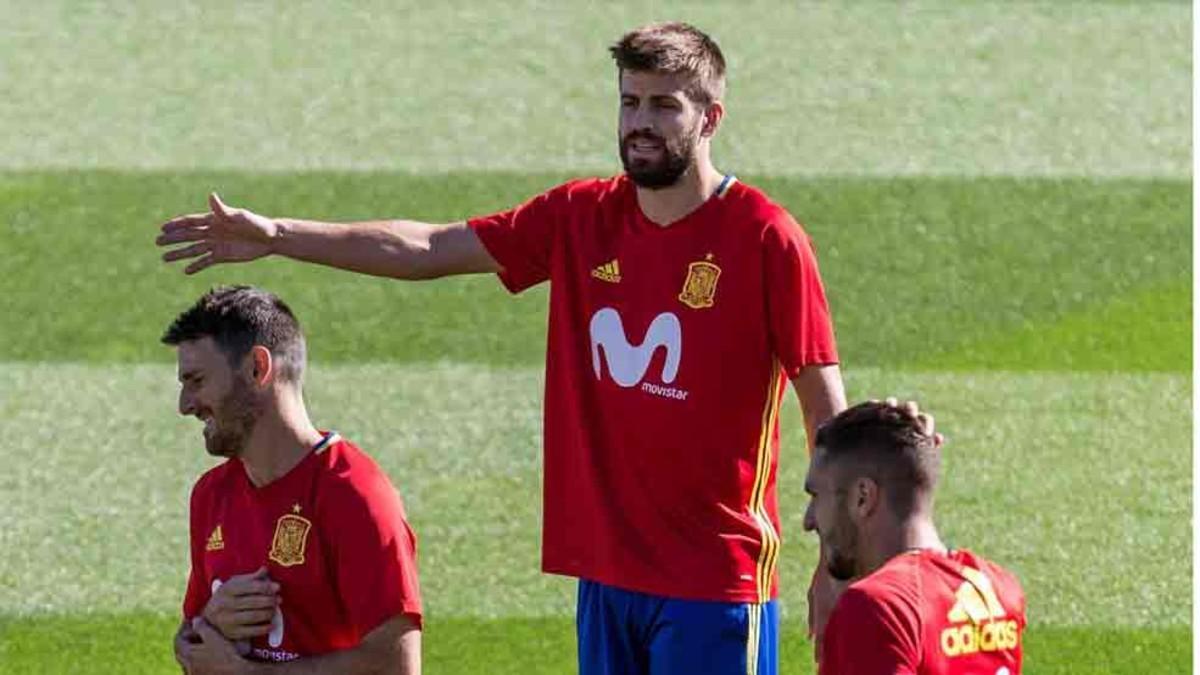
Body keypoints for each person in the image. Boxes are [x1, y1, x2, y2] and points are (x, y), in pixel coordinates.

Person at [157, 23, 846, 675]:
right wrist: (278, 233)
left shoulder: (764, 238)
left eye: (664, 106)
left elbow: (826, 410)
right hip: (605, 577)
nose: (639, 122)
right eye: (629, 102)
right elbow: (427, 248)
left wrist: (838, 561)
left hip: (714, 580)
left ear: (711, 117)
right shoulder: (580, 217)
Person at [164, 286, 422, 674]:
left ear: (257, 368)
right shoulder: (211, 494)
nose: (185, 405)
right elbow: (195, 653)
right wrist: (208, 623)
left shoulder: (352, 494)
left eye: (196, 380)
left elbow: (397, 666)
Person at [804, 400, 1026, 674]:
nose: (808, 519)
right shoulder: (998, 588)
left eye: (816, 496)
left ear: (863, 497)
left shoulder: (877, 608)